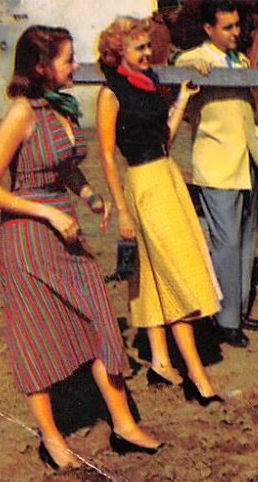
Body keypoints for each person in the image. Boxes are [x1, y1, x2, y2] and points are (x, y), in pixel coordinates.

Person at [0, 25, 162, 469]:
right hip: (28, 238)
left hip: (65, 231)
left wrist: (88, 196)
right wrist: (47, 213)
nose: (76, 66)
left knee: (100, 318)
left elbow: (62, 167)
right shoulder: (22, 112)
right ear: (41, 67)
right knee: (37, 337)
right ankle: (52, 439)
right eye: (67, 59)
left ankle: (123, 422)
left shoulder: (61, 106)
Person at [96, 16, 223, 406]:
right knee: (177, 271)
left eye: (147, 47)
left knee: (152, 273)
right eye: (139, 48)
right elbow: (106, 155)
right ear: (119, 53)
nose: (148, 53)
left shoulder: (149, 83)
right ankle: (196, 375)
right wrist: (123, 211)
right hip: (143, 185)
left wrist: (182, 98)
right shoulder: (110, 93)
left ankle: (161, 362)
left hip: (166, 177)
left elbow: (162, 138)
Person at [175, 0, 258, 348]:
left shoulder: (241, 61)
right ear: (209, 29)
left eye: (236, 26)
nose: (236, 33)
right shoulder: (198, 60)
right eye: (228, 27)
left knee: (246, 242)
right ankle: (224, 321)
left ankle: (239, 310)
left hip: (246, 164)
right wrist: (193, 62)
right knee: (226, 243)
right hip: (217, 167)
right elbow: (179, 63)